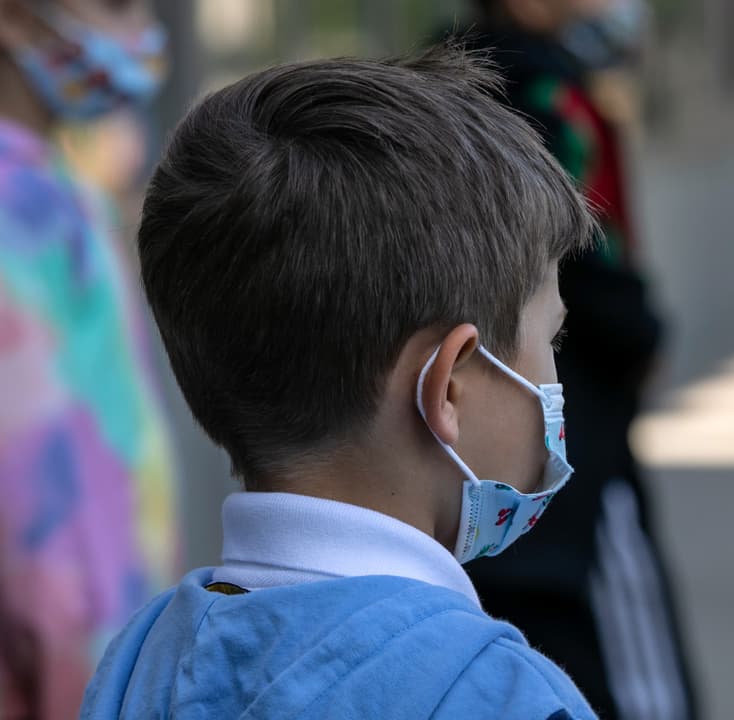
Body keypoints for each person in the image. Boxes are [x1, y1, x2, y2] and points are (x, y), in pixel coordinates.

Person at [80, 46, 604, 718]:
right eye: (551, 339)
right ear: (448, 386)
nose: (554, 378)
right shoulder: (505, 696)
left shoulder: (133, 665)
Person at [460, 3, 700, 719]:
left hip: (478, 472)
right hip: (578, 444)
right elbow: (589, 262)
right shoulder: (541, 97)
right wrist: (642, 334)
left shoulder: (446, 89)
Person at [0, 0, 176, 716]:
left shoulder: (61, 198)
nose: (142, 31)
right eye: (114, 5)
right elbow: (43, 518)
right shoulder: (28, 216)